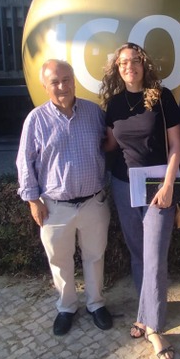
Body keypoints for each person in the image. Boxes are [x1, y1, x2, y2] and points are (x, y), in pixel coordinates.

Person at [16, 59, 112, 336]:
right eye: (55, 82)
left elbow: (109, 147)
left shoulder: (94, 113)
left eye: (66, 79)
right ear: (45, 86)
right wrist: (33, 200)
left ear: (74, 80)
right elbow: (25, 162)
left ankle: (96, 304)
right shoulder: (36, 119)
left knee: (95, 256)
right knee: (60, 261)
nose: (62, 86)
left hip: (94, 201)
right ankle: (67, 307)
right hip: (54, 207)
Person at [100, 43, 180, 359]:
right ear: (117, 69)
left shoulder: (162, 97)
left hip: (158, 186)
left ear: (144, 64)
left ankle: (154, 328)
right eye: (123, 63)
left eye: (134, 61)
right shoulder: (114, 104)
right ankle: (144, 314)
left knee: (155, 257)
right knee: (138, 254)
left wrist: (169, 184)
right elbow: (109, 143)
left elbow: (176, 146)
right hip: (124, 186)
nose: (129, 66)